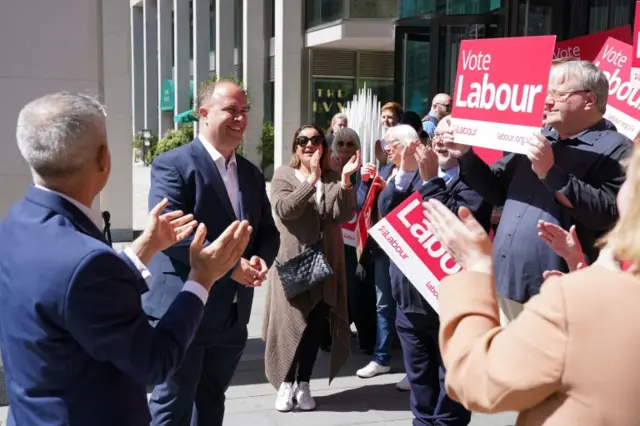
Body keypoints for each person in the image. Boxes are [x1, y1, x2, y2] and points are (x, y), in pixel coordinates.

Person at [0, 92, 252, 426]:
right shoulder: (87, 262)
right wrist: (201, 277)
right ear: (104, 159)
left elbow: (76, 300)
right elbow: (154, 361)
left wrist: (144, 248)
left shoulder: (16, 223)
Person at [423, 139, 640, 425]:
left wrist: (476, 268)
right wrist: (578, 265)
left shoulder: (578, 300)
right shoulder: (536, 141)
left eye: (629, 180)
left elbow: (478, 380)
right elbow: (495, 187)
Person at [443, 59, 631, 323]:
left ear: (589, 99)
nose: (547, 101)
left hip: (557, 293)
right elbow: (496, 191)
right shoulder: (538, 137)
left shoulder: (617, 149)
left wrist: (551, 173)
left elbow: (608, 214)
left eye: (557, 94)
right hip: (506, 282)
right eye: (546, 93)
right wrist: (465, 154)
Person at [143, 81, 281, 426]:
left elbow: (267, 231)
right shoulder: (172, 164)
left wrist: (260, 259)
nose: (239, 118)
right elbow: (173, 232)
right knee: (171, 407)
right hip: (182, 310)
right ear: (203, 114)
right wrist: (232, 266)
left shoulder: (249, 173)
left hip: (231, 318)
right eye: (230, 110)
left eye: (243, 111)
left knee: (211, 404)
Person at [378, 118, 491, 425]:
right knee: (421, 387)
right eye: (437, 134)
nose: (441, 141)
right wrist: (405, 172)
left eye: (450, 135)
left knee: (451, 388)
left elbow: (452, 224)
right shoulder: (415, 177)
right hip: (410, 303)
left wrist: (429, 182)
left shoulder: (477, 183)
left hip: (450, 307)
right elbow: (386, 210)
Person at [263, 124, 359, 411]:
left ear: (323, 146)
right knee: (289, 323)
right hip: (290, 264)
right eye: (302, 140)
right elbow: (285, 210)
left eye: (315, 140)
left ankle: (303, 383)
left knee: (315, 325)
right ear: (295, 146)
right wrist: (311, 180)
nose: (309, 145)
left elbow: (342, 214)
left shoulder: (331, 177)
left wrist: (344, 181)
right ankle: (285, 383)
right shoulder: (283, 174)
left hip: (322, 264)